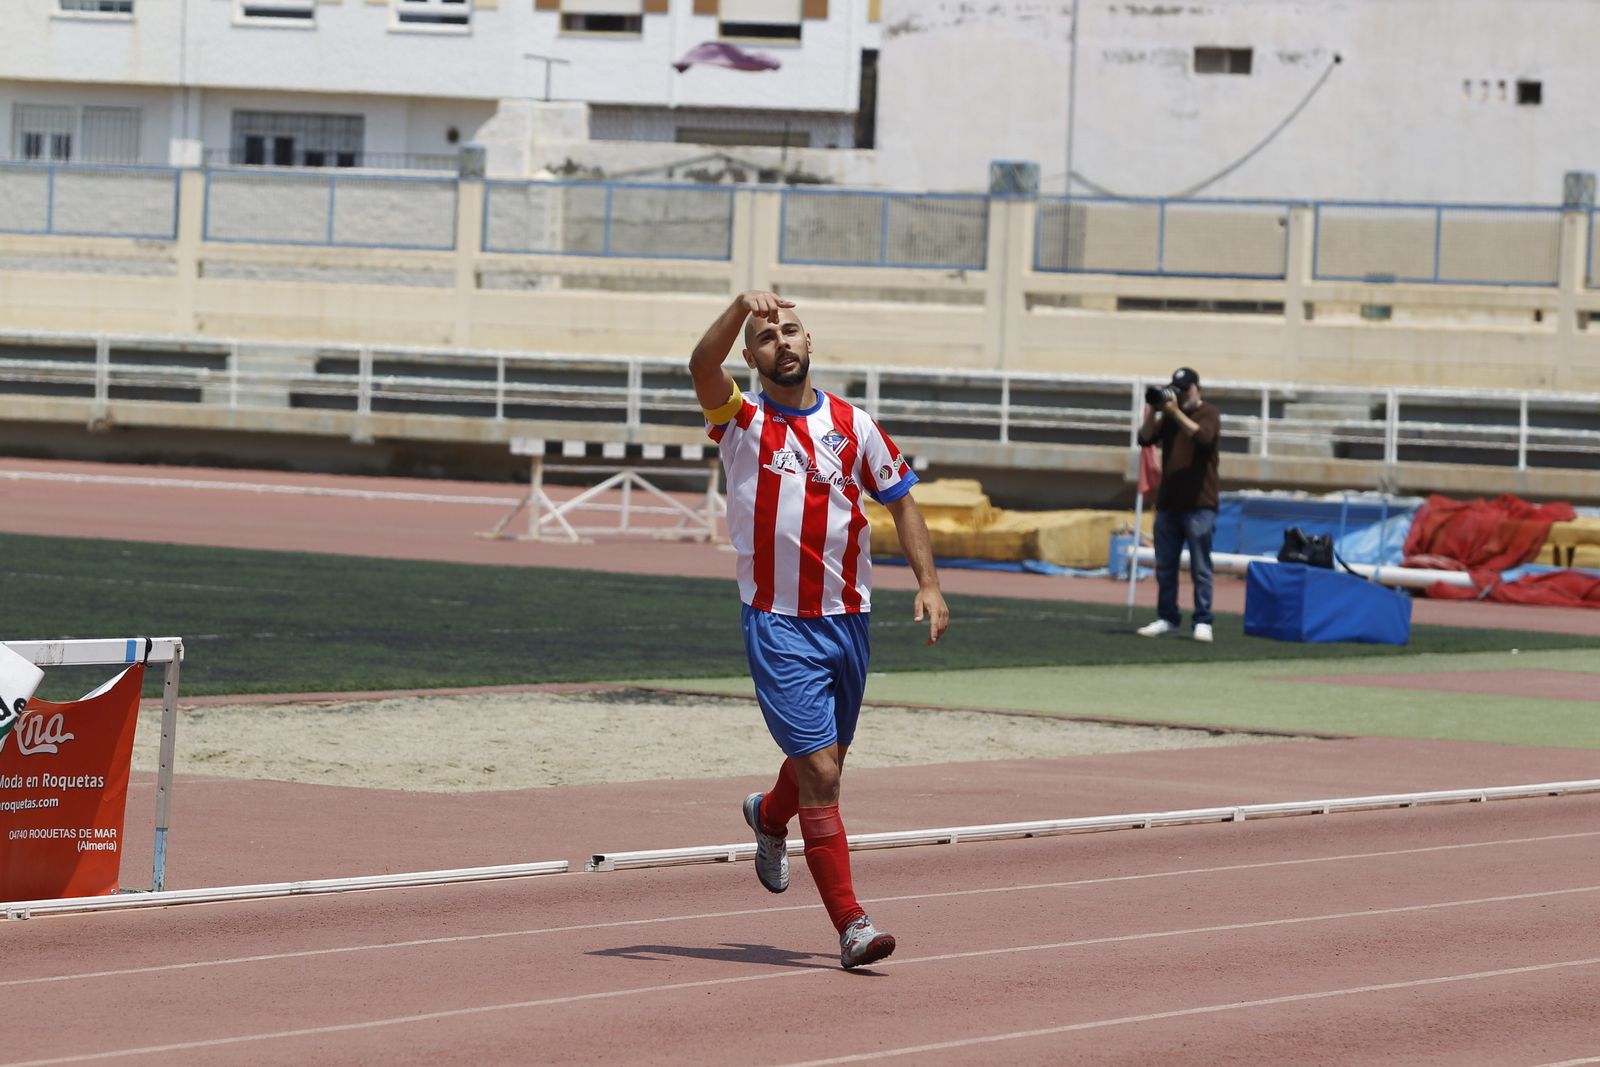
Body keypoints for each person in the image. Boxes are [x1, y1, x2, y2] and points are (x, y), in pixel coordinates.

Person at [689, 289, 950, 970]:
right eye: (767, 336)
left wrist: (928, 583)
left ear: (810, 344)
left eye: (791, 330)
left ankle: (770, 816)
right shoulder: (740, 418)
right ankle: (852, 924)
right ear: (751, 357)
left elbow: (901, 501)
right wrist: (736, 306)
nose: (782, 341)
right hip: (777, 622)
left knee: (823, 766)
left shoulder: (853, 425)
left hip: (848, 621)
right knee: (825, 776)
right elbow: (699, 364)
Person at [1135, 366, 1222, 643]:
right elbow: (1145, 439)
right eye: (1178, 389)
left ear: (1198, 389)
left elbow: (1204, 437)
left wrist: (1174, 412)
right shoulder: (1170, 418)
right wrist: (1153, 410)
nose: (1181, 394)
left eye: (1186, 389)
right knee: (1165, 565)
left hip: (1200, 505)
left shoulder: (1209, 413)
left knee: (1200, 567)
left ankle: (1203, 620)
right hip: (1169, 504)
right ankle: (1168, 617)